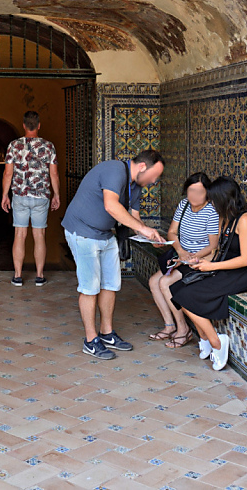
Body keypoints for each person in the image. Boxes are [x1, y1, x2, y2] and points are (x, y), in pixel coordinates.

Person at [62, 149, 165, 359]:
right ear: (143, 166)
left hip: (104, 234)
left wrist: (150, 237)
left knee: (110, 284)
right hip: (82, 231)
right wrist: (144, 230)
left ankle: (107, 333)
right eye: (155, 175)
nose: (155, 181)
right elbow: (111, 205)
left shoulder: (136, 187)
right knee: (90, 288)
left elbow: (135, 219)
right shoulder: (115, 170)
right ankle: (91, 340)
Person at [168, 176, 247, 371]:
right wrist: (201, 262)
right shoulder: (226, 219)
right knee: (177, 289)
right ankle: (205, 338)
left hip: (241, 274)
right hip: (225, 268)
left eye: (213, 199)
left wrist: (212, 268)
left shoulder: (245, 220)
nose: (210, 204)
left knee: (186, 296)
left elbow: (246, 260)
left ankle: (217, 342)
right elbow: (218, 251)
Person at [147, 172, 219, 347]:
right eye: (191, 191)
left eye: (200, 192)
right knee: (153, 281)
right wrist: (180, 252)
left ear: (207, 193)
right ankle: (169, 325)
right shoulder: (184, 205)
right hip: (180, 255)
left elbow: (213, 246)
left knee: (165, 282)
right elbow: (172, 232)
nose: (194, 196)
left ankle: (183, 330)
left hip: (198, 259)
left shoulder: (211, 211)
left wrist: (190, 257)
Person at [1, 111, 60, 287]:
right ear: (39, 125)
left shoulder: (14, 145)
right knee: (39, 235)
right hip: (41, 196)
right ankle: (40, 276)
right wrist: (56, 194)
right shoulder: (49, 146)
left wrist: (5, 194)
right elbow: (54, 174)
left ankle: (18, 276)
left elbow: (7, 173)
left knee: (20, 234)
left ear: (24, 125)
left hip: (20, 195)